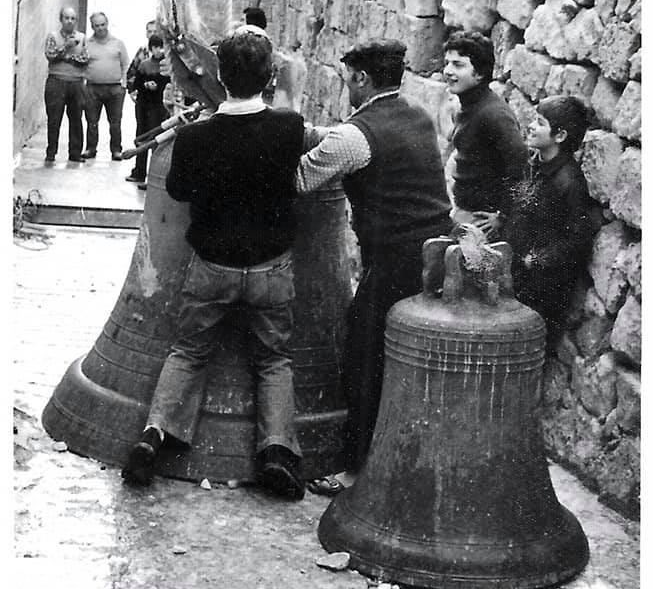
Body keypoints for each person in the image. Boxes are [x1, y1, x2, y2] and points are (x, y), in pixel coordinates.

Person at [121, 25, 306, 500]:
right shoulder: (289, 128)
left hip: (212, 264)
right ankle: (276, 453)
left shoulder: (197, 137)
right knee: (273, 360)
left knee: (189, 352)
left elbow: (180, 190)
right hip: (270, 268)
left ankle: (154, 435)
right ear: (268, 78)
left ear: (219, 76)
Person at [295, 39, 452, 482]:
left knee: (362, 355)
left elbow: (304, 177)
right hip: (433, 251)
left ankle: (356, 468)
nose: (348, 88)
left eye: (349, 80)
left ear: (362, 79)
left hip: (395, 258)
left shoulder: (357, 135)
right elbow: (344, 143)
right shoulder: (416, 115)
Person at [505, 95, 593, 345]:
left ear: (560, 136)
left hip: (542, 286)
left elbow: (578, 239)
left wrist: (539, 259)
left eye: (540, 122)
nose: (531, 126)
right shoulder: (533, 164)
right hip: (518, 273)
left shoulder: (570, 182)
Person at [443, 30, 529, 240]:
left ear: (480, 73)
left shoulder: (494, 114)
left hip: (483, 223)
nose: (448, 71)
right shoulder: (465, 106)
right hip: (465, 212)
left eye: (458, 65)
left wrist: (503, 216)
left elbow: (521, 165)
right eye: (447, 63)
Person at [82, 11, 130, 160]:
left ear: (107, 24)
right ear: (92, 27)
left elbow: (126, 64)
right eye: (97, 25)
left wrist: (124, 84)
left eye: (103, 24)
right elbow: (81, 63)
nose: (100, 28)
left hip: (115, 89)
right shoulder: (87, 44)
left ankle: (116, 150)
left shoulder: (118, 43)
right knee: (91, 121)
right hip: (92, 89)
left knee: (115, 122)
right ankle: (90, 149)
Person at [43, 6, 88, 163]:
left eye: (73, 18)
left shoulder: (82, 38)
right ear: (61, 19)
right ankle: (51, 152)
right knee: (54, 118)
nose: (70, 21)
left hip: (76, 83)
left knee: (76, 119)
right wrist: (66, 48)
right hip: (56, 81)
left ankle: (75, 153)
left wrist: (66, 58)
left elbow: (85, 59)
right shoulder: (53, 36)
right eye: (66, 18)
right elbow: (50, 55)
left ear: (76, 21)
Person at [124, 33, 170, 189]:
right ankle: (139, 171)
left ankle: (153, 176)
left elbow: (168, 84)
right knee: (142, 137)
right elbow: (136, 83)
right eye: (156, 47)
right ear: (151, 49)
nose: (160, 50)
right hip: (144, 106)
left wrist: (157, 86)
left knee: (156, 139)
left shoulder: (167, 65)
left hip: (159, 107)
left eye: (162, 47)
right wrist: (145, 85)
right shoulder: (144, 65)